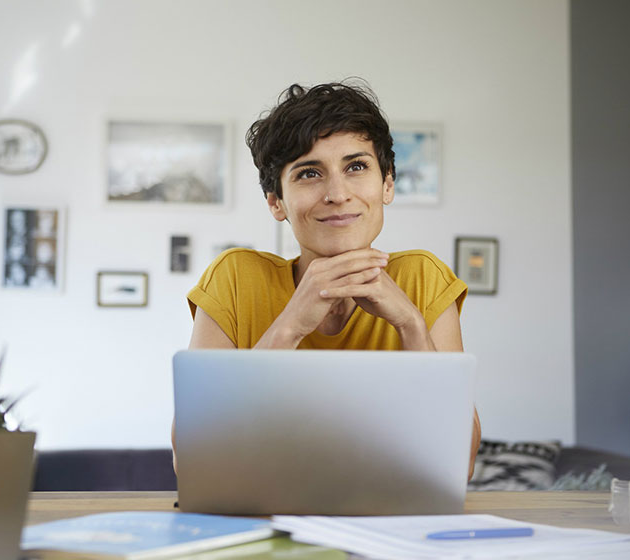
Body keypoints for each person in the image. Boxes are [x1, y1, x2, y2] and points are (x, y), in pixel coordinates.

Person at [174, 80, 481, 478]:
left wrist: (411, 326)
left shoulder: (423, 278)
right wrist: (289, 327)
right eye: (308, 173)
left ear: (387, 184)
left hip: (390, 524)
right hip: (260, 518)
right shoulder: (234, 278)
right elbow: (193, 461)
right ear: (276, 201)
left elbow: (461, 463)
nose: (338, 193)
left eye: (356, 167)